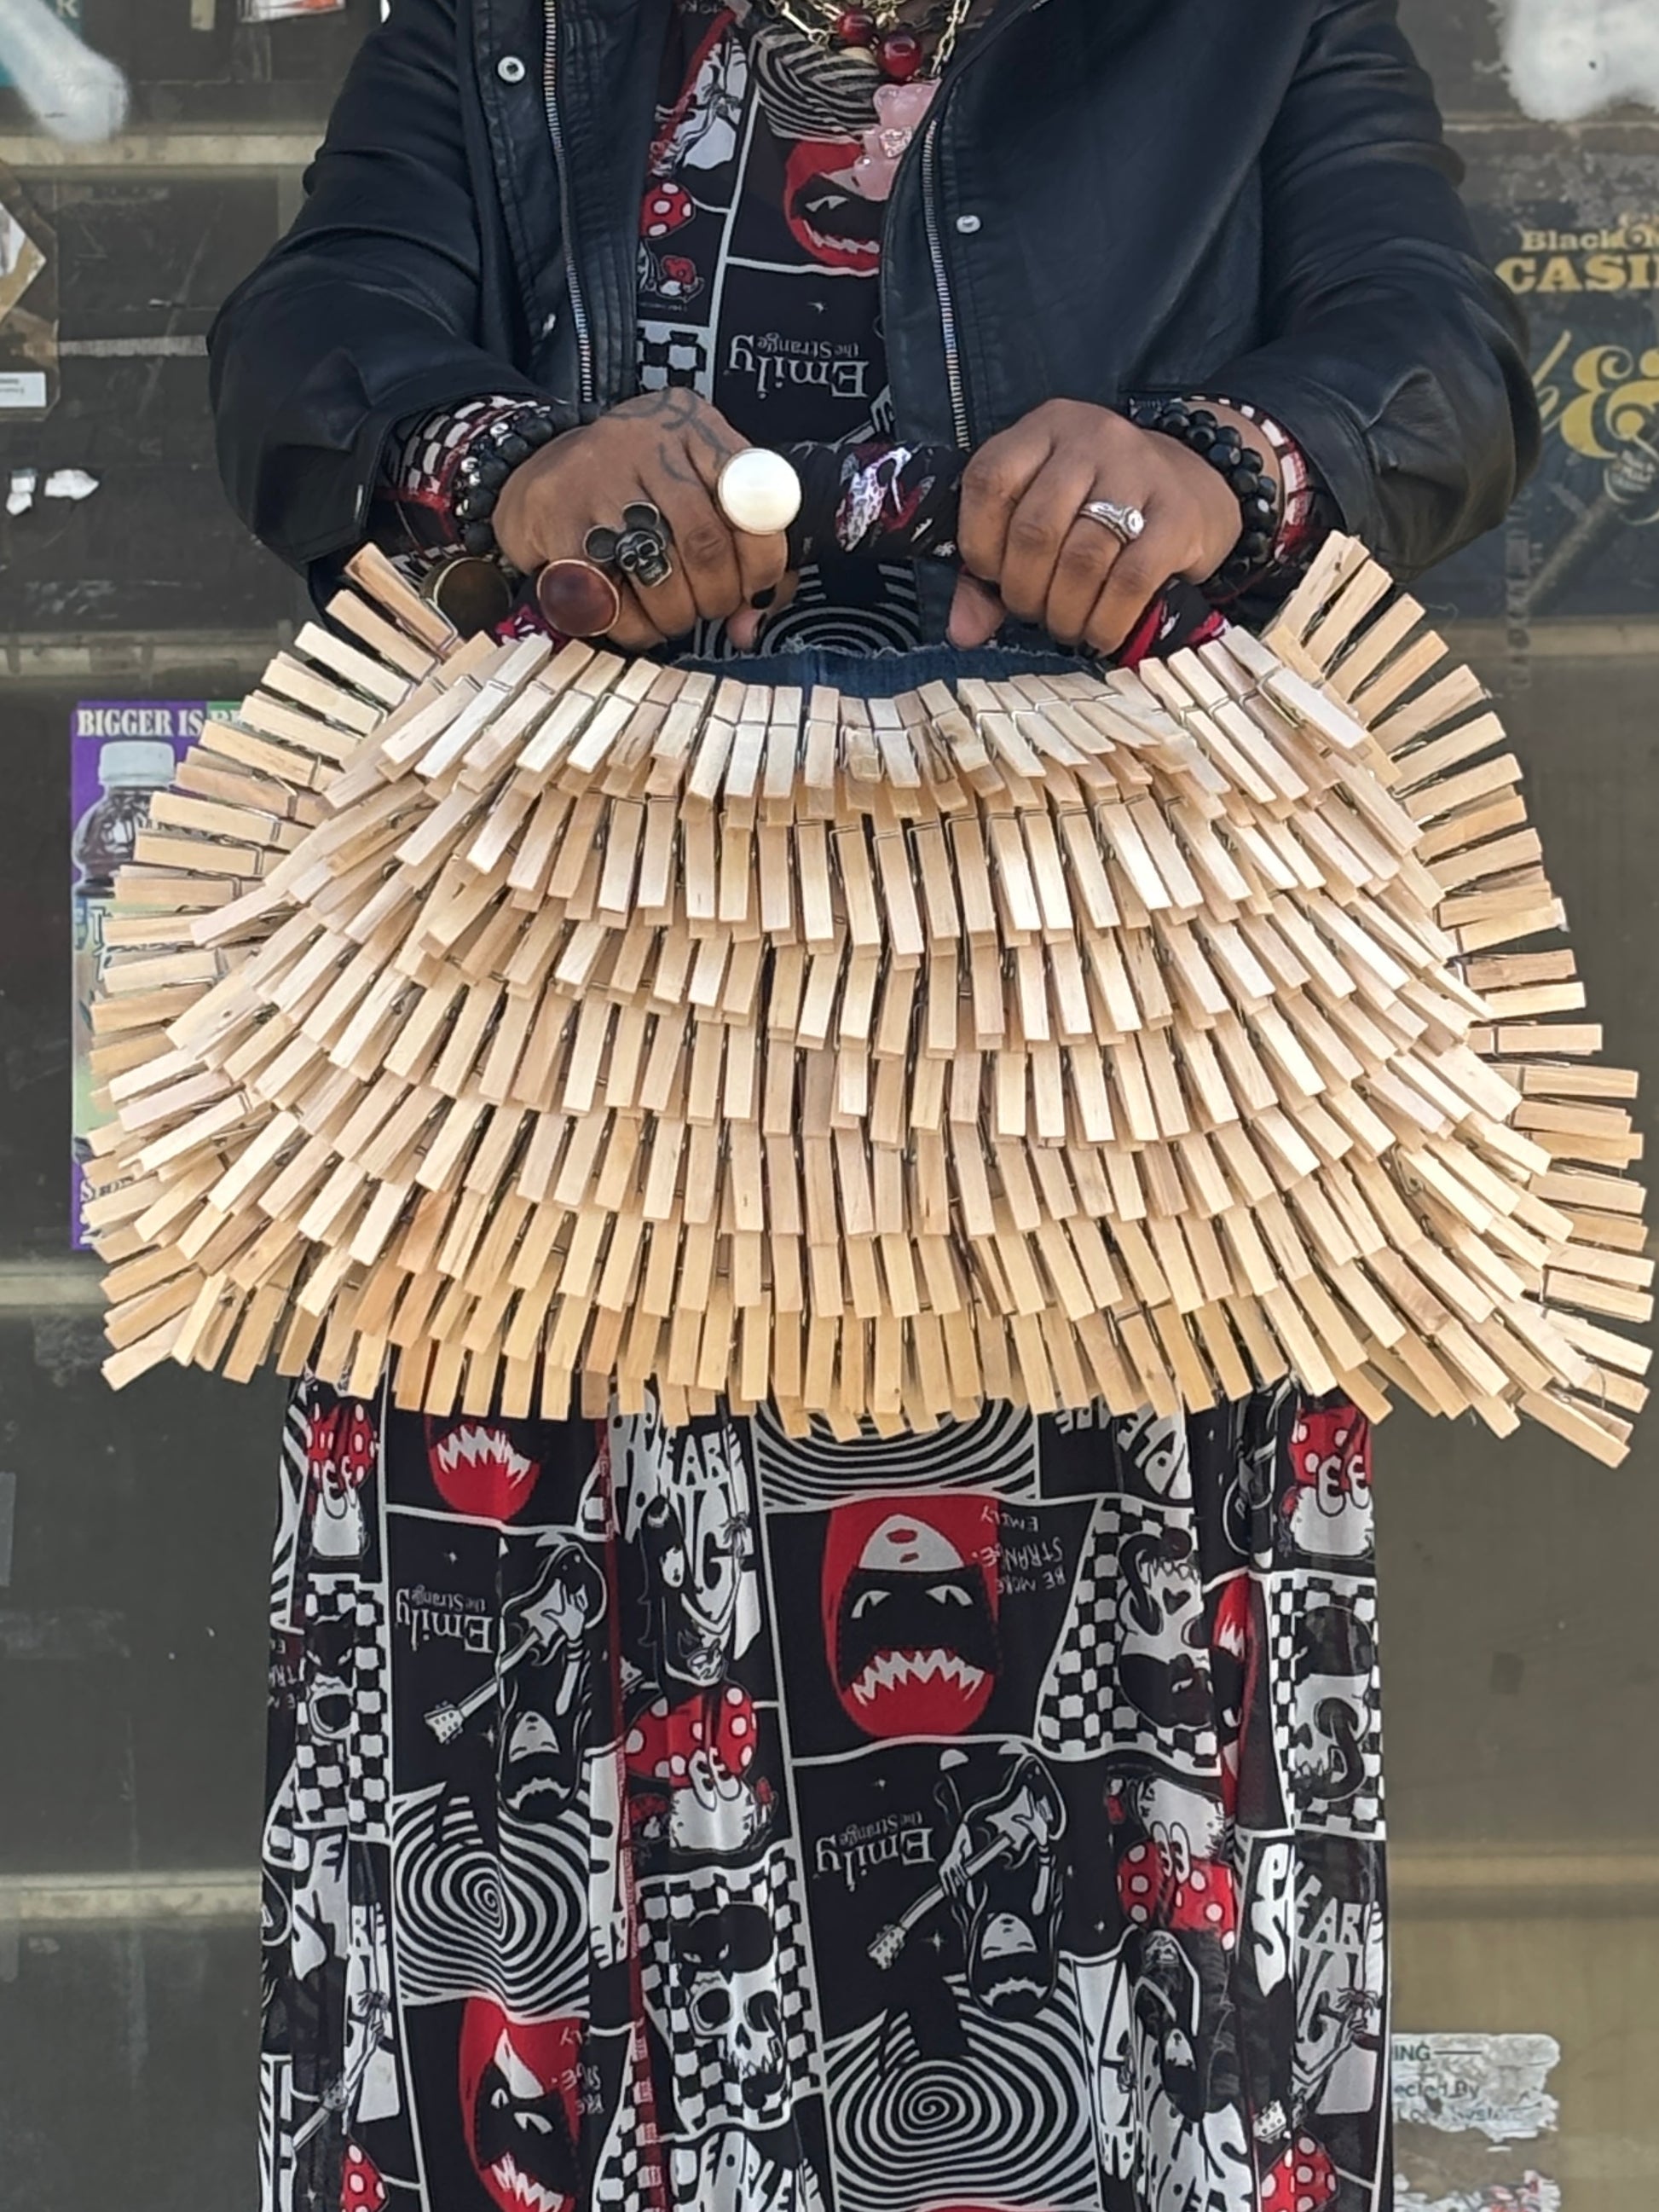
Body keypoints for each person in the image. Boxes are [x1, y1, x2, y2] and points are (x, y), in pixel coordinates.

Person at [211, 5, 1537, 2211]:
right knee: (529, 1809)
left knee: (1094, 1817)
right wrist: (507, 470)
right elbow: (308, 336)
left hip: (1092, 1102)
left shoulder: (1255, 19)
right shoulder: (510, 20)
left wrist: (1222, 469)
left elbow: (1437, 349)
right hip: (564, 1105)